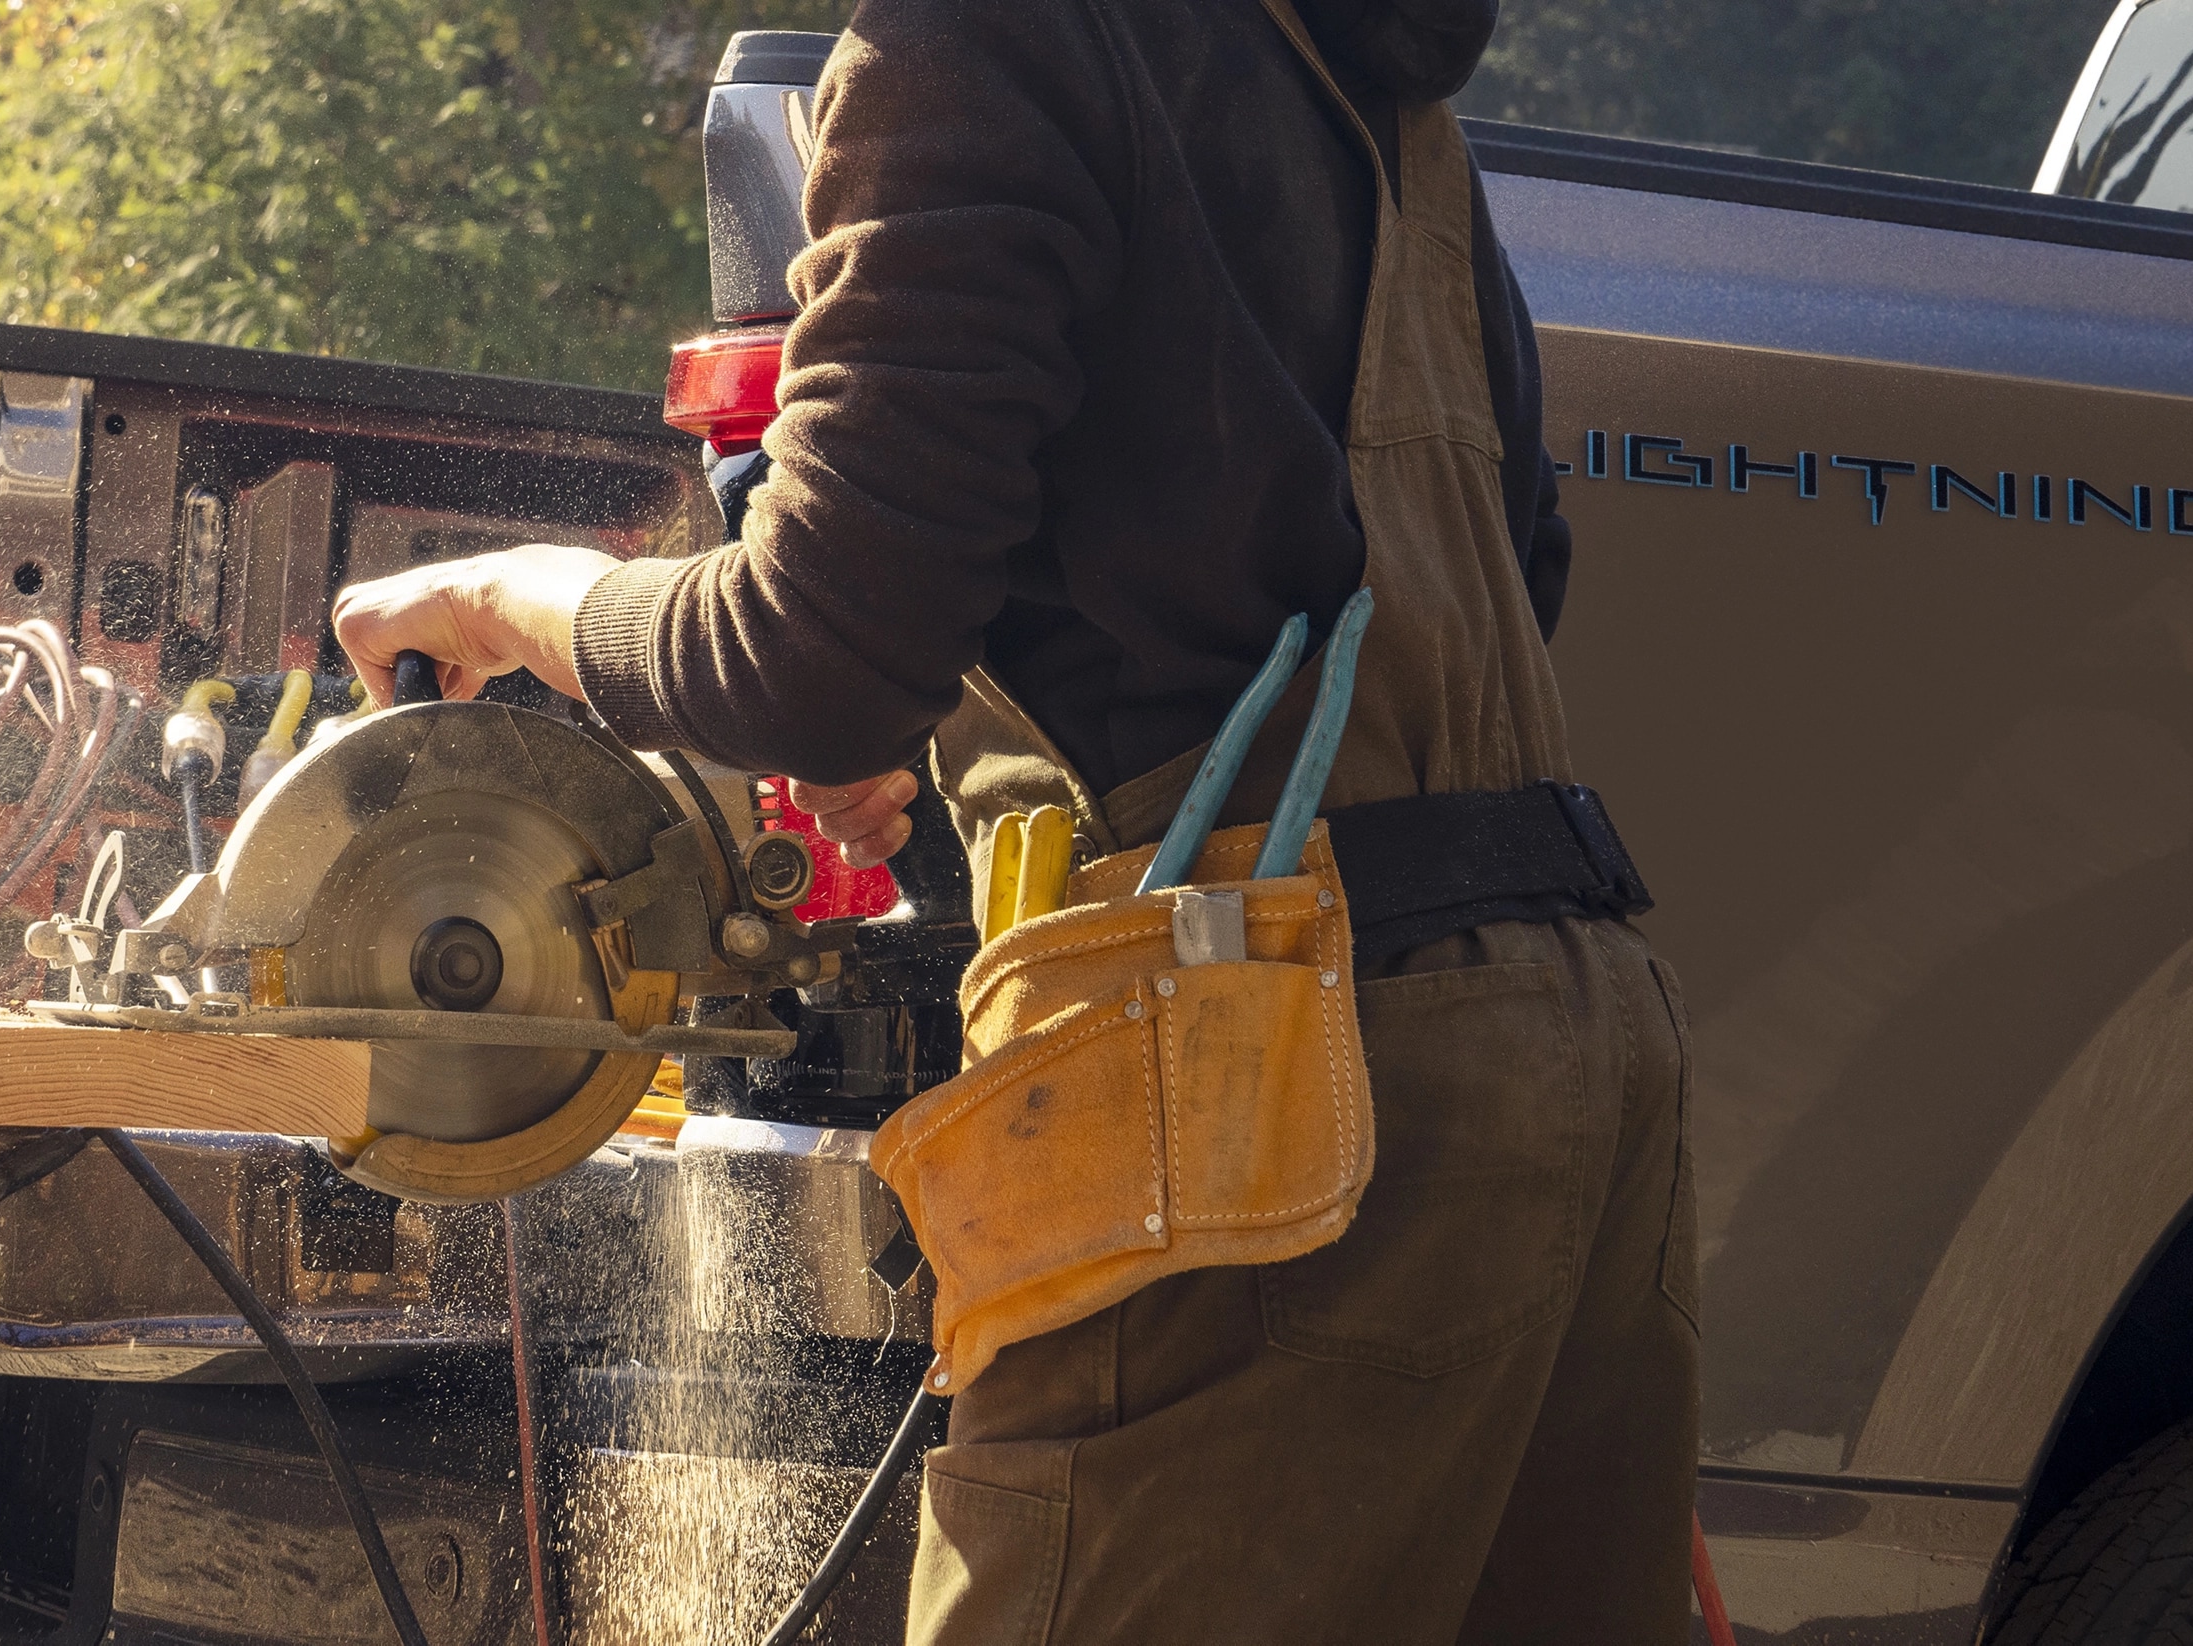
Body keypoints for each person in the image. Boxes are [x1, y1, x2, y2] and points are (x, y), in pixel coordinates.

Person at [331, 1, 1698, 1640]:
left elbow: (802, 656)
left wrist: (514, 596)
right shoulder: (1358, 73)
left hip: (1268, 1089)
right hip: (1571, 1048)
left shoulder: (977, 32)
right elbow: (1494, 574)